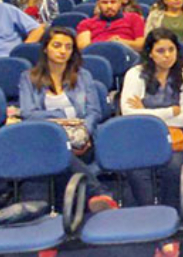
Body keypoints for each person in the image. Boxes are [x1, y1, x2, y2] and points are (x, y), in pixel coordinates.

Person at [18, 26, 118, 213]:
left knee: (45, 163)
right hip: (47, 139)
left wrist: (83, 133)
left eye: (68, 47)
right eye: (57, 45)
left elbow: (94, 111)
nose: (63, 51)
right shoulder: (28, 78)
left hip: (82, 141)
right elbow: (28, 113)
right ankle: (98, 193)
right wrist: (62, 119)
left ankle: (42, 213)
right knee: (52, 150)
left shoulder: (83, 76)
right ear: (46, 48)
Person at [121, 28, 183, 208]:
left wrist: (144, 111)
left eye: (171, 50)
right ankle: (148, 212)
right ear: (150, 54)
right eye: (160, 51)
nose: (167, 55)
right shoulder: (135, 74)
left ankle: (171, 212)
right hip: (140, 136)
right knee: (137, 168)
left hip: (174, 138)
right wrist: (170, 111)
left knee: (174, 166)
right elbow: (128, 114)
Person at [76, 0, 145, 52]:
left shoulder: (134, 18)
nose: (109, 6)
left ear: (119, 3)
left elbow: (141, 45)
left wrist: (122, 42)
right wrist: (108, 44)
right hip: (98, 55)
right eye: (104, 2)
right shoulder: (86, 23)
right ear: (98, 4)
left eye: (113, 2)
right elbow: (83, 48)